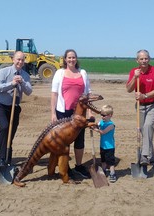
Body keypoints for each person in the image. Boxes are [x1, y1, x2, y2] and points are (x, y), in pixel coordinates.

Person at [51, 49, 94, 179]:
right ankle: (65, 167)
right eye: (69, 58)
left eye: (73, 57)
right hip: (64, 111)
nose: (71, 60)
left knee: (80, 139)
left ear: (76, 59)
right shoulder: (60, 73)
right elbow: (54, 94)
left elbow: (88, 94)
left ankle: (79, 166)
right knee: (65, 141)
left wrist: (90, 112)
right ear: (65, 59)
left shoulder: (83, 73)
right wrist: (53, 113)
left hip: (80, 112)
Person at [0, 51, 33, 166]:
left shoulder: (25, 75)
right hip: (0, 106)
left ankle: (7, 160)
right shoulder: (4, 72)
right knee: (5, 128)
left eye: (22, 60)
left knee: (11, 134)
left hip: (14, 107)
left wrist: (22, 82)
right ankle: (1, 159)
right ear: (13, 60)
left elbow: (29, 91)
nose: (20, 62)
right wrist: (12, 83)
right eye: (18, 59)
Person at [126, 49, 154, 166]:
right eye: (141, 59)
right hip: (140, 106)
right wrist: (134, 78)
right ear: (137, 60)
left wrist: (145, 95)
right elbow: (129, 89)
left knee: (147, 126)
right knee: (146, 131)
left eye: (146, 58)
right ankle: (152, 157)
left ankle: (144, 155)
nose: (144, 60)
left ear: (149, 59)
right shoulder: (134, 71)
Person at [93, 105, 116, 183]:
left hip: (109, 147)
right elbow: (97, 124)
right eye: (101, 115)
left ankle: (112, 173)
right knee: (103, 161)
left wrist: (95, 129)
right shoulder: (102, 122)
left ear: (110, 115)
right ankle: (103, 171)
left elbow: (103, 132)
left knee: (110, 162)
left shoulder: (111, 125)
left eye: (104, 115)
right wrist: (93, 124)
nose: (102, 117)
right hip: (102, 145)